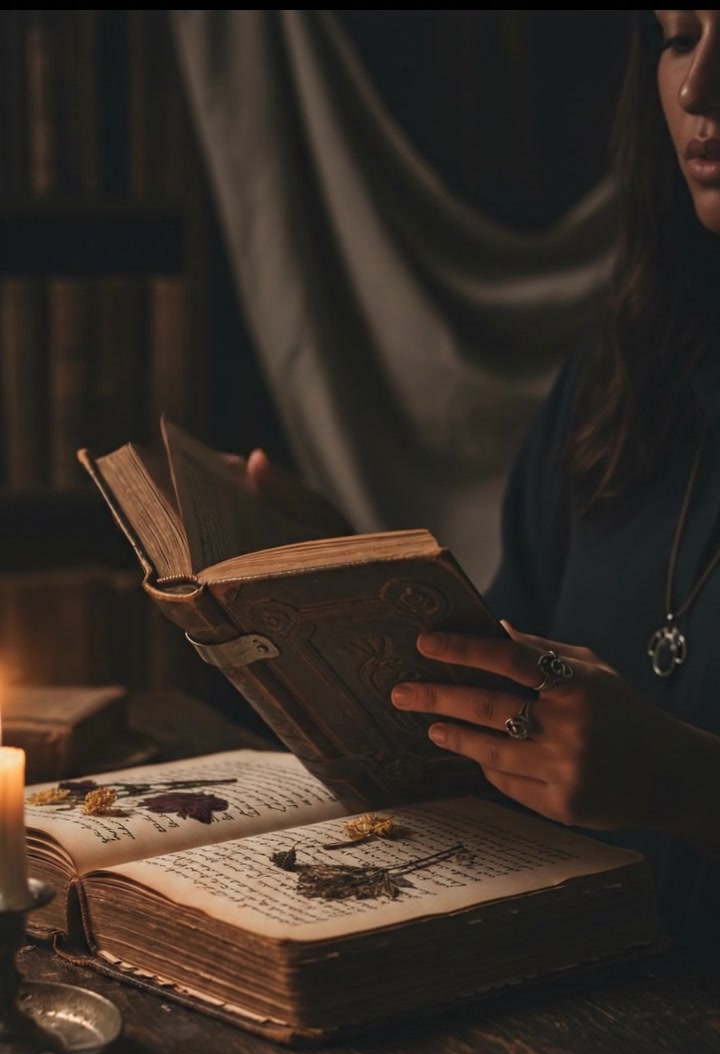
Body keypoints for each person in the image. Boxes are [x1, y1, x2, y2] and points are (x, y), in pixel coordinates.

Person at [244, 10, 720, 951]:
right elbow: (493, 704)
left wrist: (688, 784)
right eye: (678, 35)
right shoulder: (619, 381)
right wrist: (337, 592)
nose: (699, 90)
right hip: (564, 1017)